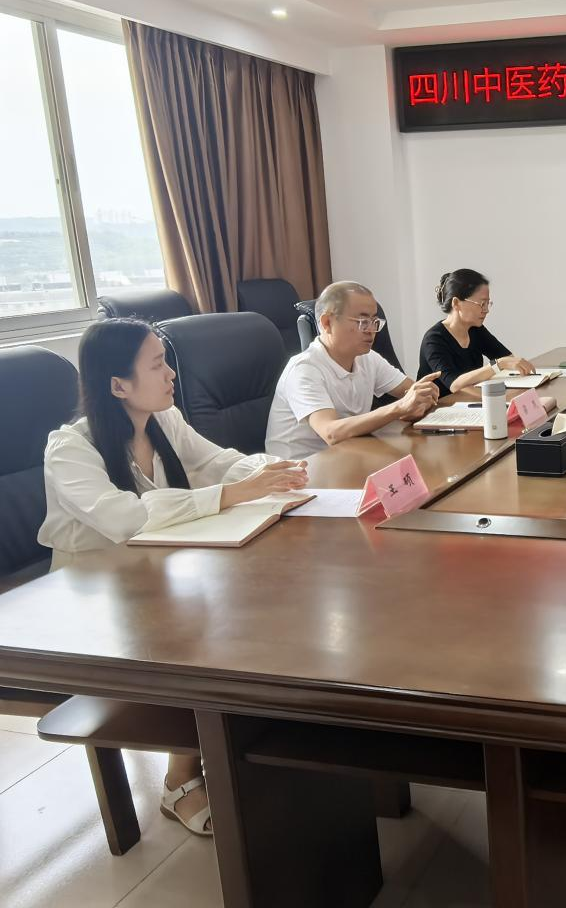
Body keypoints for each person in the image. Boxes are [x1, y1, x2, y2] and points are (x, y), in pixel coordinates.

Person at [39, 317, 311, 837]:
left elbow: (218, 462)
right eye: (157, 364)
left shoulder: (163, 419)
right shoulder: (70, 448)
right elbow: (124, 519)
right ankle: (180, 779)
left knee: (263, 607)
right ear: (118, 385)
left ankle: (249, 748)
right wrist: (234, 493)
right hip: (90, 599)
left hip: (153, 575)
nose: (171, 375)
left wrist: (273, 471)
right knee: (208, 634)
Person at [266, 281, 440, 459]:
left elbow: (410, 390)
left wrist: (421, 399)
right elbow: (330, 432)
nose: (371, 330)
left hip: (348, 456)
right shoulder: (304, 369)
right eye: (363, 322)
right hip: (302, 468)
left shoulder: (367, 358)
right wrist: (400, 407)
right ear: (327, 322)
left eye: (374, 321)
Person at [419, 269, 536, 396]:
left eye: (488, 303)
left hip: (469, 401)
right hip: (441, 405)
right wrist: (498, 365)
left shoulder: (475, 329)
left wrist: (506, 364)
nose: (486, 310)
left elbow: (508, 358)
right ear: (456, 303)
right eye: (482, 303)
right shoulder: (434, 339)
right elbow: (454, 384)